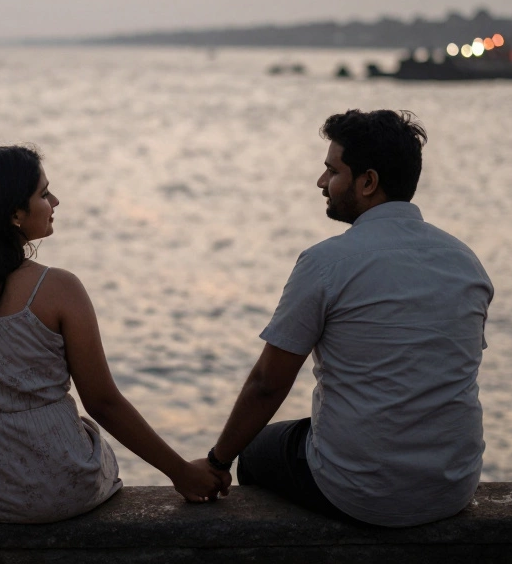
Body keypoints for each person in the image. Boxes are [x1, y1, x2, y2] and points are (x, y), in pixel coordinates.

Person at [193, 109, 494, 527]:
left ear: (368, 182)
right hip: (453, 487)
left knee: (256, 451)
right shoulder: (466, 261)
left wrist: (215, 461)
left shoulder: (326, 263)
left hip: (360, 495)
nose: (321, 184)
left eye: (332, 171)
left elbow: (267, 383)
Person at [0, 145, 222, 523]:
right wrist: (181, 472)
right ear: (14, 214)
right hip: (48, 489)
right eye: (43, 194)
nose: (55, 200)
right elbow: (102, 402)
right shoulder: (58, 289)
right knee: (90, 444)